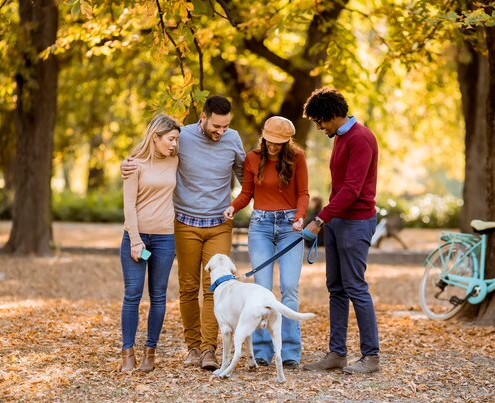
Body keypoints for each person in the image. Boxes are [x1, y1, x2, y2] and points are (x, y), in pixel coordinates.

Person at [122, 96, 245, 371]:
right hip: (185, 223)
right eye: (216, 126)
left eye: (225, 126)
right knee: (188, 288)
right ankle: (192, 348)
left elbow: (245, 178)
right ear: (202, 117)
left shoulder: (233, 139)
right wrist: (127, 165)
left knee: (216, 286)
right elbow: (153, 158)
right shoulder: (183, 138)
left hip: (219, 225)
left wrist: (235, 205)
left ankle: (209, 350)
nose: (221, 132)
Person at [301, 87, 381, 374]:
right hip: (337, 222)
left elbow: (352, 189)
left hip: (356, 222)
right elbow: (339, 188)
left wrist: (320, 219)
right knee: (336, 288)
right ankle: (337, 353)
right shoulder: (342, 136)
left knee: (356, 287)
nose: (320, 127)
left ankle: (371, 357)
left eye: (320, 121)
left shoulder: (361, 137)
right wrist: (328, 220)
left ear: (332, 115)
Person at [223, 116, 309, 369]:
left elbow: (303, 193)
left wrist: (299, 217)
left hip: (289, 227)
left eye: (278, 143)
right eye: (269, 141)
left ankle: (290, 349)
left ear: (287, 142)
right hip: (260, 225)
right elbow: (247, 193)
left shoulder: (297, 157)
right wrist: (233, 207)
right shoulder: (253, 158)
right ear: (264, 136)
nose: (273, 146)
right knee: (261, 290)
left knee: (289, 288)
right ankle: (261, 350)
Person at [119, 114, 181, 373]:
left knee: (159, 296)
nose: (174, 144)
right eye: (170, 139)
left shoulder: (176, 160)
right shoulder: (134, 165)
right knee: (132, 295)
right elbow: (129, 207)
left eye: (177, 139)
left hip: (166, 238)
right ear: (155, 137)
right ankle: (127, 353)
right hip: (136, 238)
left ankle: (150, 352)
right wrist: (135, 240)